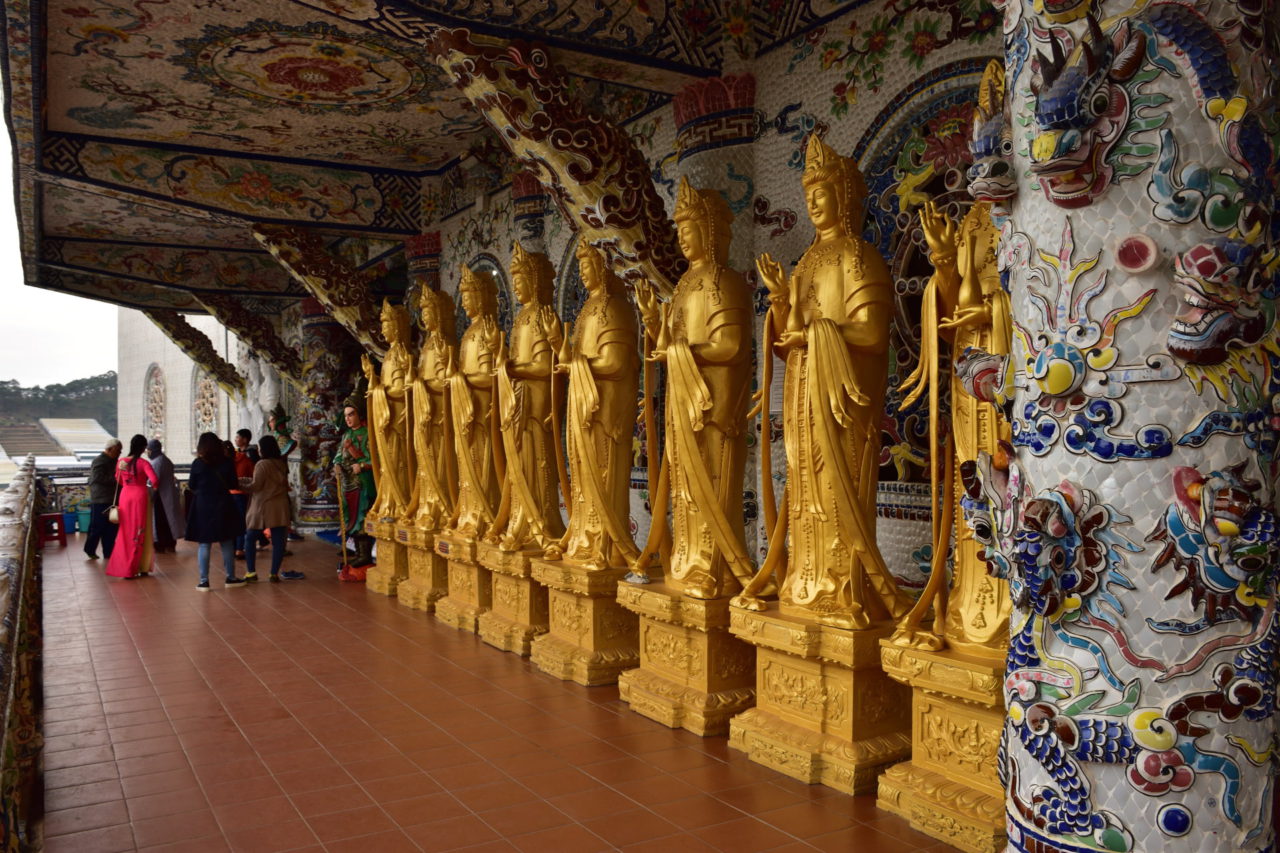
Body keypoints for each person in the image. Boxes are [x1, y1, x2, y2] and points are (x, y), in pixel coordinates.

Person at [185, 432, 247, 590]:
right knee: (226, 542)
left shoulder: (197, 463)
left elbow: (191, 485)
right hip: (223, 503)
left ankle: (203, 581)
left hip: (202, 505)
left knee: (204, 544)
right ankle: (230, 578)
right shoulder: (227, 462)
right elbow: (233, 484)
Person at [241, 435, 302, 581]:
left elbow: (256, 486)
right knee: (279, 541)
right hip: (280, 506)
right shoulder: (280, 463)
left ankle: (251, 572)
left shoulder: (262, 464)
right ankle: (273, 574)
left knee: (250, 537)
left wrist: (239, 484)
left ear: (263, 449)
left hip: (263, 506)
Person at [332, 392, 376, 568]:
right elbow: (339, 454)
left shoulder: (368, 434)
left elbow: (377, 458)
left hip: (362, 483)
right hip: (347, 482)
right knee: (350, 516)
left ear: (359, 414)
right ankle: (357, 552)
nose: (348, 419)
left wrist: (363, 465)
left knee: (361, 516)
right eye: (346, 416)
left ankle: (364, 554)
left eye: (351, 414)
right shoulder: (347, 435)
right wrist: (336, 463)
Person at [106, 434, 158, 579]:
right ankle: (140, 566)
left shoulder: (121, 461)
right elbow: (155, 480)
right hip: (140, 496)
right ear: (143, 448)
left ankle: (125, 567)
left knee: (125, 531)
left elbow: (118, 480)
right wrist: (151, 488)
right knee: (140, 530)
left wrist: (128, 483)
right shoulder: (143, 463)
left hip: (125, 495)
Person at [85, 438, 122, 560]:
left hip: (112, 499)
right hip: (101, 499)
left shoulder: (114, 461)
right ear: (110, 449)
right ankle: (90, 549)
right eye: (118, 450)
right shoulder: (99, 461)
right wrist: (117, 479)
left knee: (111, 528)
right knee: (97, 527)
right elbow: (97, 478)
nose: (119, 453)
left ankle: (109, 552)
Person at [147, 438, 184, 553]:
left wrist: (148, 493)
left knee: (160, 522)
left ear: (152, 450)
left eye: (148, 450)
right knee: (169, 521)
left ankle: (160, 545)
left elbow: (154, 481)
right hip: (168, 495)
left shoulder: (156, 462)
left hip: (160, 497)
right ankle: (170, 544)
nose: (147, 452)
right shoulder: (166, 460)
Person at [231, 429, 259, 558]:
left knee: (241, 520)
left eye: (238, 437)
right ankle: (239, 547)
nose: (236, 439)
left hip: (241, 491)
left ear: (245, 439)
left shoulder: (251, 454)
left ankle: (238, 547)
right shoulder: (238, 455)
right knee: (241, 520)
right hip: (239, 491)